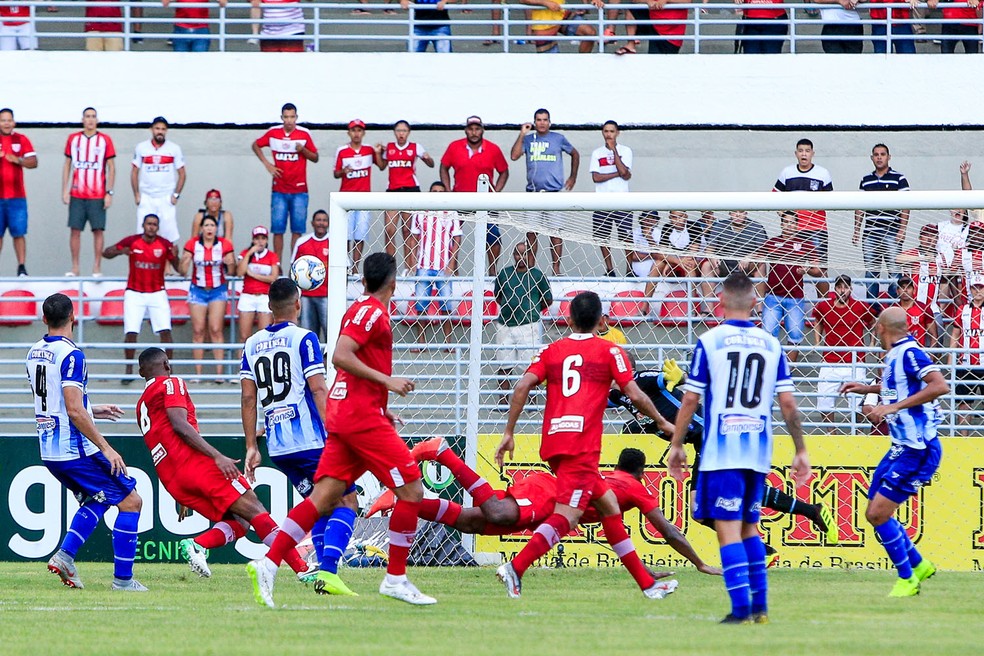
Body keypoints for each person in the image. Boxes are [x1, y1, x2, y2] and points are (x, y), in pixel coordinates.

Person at [247, 252, 437, 607]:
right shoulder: (372, 313)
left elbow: (350, 368)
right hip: (359, 420)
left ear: (363, 282)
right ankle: (395, 578)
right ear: (394, 284)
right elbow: (341, 355)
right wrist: (389, 383)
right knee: (411, 489)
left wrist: (383, 406)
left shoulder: (358, 310)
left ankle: (269, 563)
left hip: (350, 415)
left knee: (323, 499)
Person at [493, 291, 677, 600]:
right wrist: (661, 421)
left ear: (569, 318)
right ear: (601, 319)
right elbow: (633, 392)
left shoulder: (551, 350)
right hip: (581, 445)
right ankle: (516, 567)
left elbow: (522, 385)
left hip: (554, 440)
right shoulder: (610, 351)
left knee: (608, 507)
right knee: (569, 515)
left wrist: (509, 432)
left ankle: (647, 583)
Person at [669, 272, 811, 624]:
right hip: (758, 452)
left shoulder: (709, 341)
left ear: (720, 302)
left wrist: (676, 444)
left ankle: (741, 609)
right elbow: (789, 405)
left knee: (728, 529)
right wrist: (801, 450)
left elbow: (690, 399)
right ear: (754, 303)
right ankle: (760, 607)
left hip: (723, 451)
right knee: (749, 527)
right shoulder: (772, 344)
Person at [375, 441, 720, 578]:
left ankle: (408, 500)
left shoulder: (613, 480)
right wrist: (701, 563)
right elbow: (669, 530)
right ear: (642, 473)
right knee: (495, 513)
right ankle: (443, 452)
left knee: (471, 523)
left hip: (549, 504)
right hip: (547, 492)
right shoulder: (633, 487)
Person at [611, 358, 836, 550]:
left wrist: (680, 377)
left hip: (711, 436)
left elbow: (670, 378)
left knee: (721, 499)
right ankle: (800, 519)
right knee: (701, 511)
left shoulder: (640, 380)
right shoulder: (620, 395)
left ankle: (766, 545)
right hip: (702, 442)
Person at [135, 347, 315, 582]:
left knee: (239, 521)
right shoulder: (171, 383)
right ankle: (303, 569)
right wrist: (216, 456)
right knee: (256, 509)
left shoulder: (141, 406)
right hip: (195, 464)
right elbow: (179, 425)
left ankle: (199, 544)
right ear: (167, 365)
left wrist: (182, 492)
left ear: (141, 373)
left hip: (172, 477)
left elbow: (164, 440)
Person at [241, 279, 360, 596]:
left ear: (269, 307)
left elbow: (248, 399)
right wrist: (335, 430)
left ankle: (323, 574)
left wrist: (252, 445)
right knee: (347, 500)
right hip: (310, 439)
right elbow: (319, 388)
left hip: (279, 446)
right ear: (298, 303)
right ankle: (321, 570)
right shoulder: (304, 339)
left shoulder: (251, 344)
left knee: (321, 505)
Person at [27, 293, 145, 591]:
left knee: (97, 499)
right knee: (131, 501)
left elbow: (56, 401)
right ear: (73, 317)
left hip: (48, 449)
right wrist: (106, 447)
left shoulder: (34, 352)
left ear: (44, 319)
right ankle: (123, 580)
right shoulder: (72, 355)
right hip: (74, 448)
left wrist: (94, 409)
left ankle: (66, 556)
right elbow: (73, 408)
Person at [840, 307, 947, 597]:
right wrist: (865, 389)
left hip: (918, 448)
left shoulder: (910, 352)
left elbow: (940, 385)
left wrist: (893, 407)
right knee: (874, 508)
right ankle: (918, 564)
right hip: (900, 447)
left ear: (881, 327)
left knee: (877, 514)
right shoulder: (897, 355)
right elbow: (898, 386)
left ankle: (908, 579)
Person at [103, 214, 179, 380]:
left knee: (165, 331)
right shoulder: (132, 241)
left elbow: (179, 268)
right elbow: (105, 253)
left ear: (157, 227)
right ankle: (129, 371)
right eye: (149, 224)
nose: (151, 227)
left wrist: (176, 255)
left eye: (154, 224)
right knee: (131, 332)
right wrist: (118, 251)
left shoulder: (165, 244)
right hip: (134, 292)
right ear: (143, 225)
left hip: (157, 292)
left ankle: (169, 372)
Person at [509, 108, 579, 275]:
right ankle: (531, 269)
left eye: (545, 119)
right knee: (531, 233)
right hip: (533, 193)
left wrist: (573, 177)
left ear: (549, 122)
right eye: (538, 120)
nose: (542, 122)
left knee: (555, 233)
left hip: (553, 193)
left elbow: (575, 153)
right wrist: (521, 134)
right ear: (534, 122)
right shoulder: (528, 139)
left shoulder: (558, 138)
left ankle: (556, 268)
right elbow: (514, 156)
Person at [440, 116, 510, 276]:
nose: (474, 132)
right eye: (471, 129)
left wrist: (496, 192)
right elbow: (444, 167)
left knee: (493, 235)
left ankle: (492, 270)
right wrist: (448, 189)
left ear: (482, 130)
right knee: (452, 234)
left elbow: (504, 171)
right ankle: (453, 268)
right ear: (466, 130)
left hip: (486, 201)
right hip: (460, 199)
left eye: (477, 129)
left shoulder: (492, 148)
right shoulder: (455, 147)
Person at [253, 103, 318, 264]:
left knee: (297, 230)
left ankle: (294, 265)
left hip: (299, 190)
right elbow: (255, 145)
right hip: (279, 190)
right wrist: (267, 164)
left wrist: (303, 150)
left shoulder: (304, 134)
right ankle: (278, 264)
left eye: (292, 117)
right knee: (278, 230)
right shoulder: (273, 132)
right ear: (282, 118)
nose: (289, 120)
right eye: (286, 117)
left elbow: (315, 157)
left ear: (296, 117)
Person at [493, 242, 553, 411]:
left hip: (529, 325)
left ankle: (531, 403)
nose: (521, 257)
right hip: (505, 324)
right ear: (513, 255)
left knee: (529, 366)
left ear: (531, 255)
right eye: (518, 254)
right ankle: (503, 402)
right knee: (504, 364)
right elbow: (499, 296)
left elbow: (547, 299)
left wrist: (532, 310)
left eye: (525, 254)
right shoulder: (504, 274)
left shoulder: (537, 275)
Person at [757, 210, 823, 363]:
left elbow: (818, 271)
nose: (789, 225)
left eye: (792, 222)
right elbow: (756, 257)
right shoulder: (772, 242)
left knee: (795, 335)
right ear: (781, 224)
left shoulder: (806, 244)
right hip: (773, 296)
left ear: (797, 225)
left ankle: (788, 371)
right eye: (786, 222)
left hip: (795, 298)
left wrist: (807, 270)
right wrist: (747, 259)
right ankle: (770, 367)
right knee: (767, 334)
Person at [812, 275, 876, 430]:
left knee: (858, 404)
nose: (842, 290)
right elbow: (818, 320)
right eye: (839, 287)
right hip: (830, 360)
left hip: (854, 360)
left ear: (850, 289)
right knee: (824, 401)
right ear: (835, 289)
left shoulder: (860, 306)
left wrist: (872, 343)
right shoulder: (824, 306)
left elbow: (873, 321)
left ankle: (857, 431)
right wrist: (817, 342)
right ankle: (831, 433)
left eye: (845, 287)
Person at [773, 138, 833, 296]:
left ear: (813, 153)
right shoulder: (787, 173)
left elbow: (831, 201)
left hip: (816, 229)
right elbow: (774, 198)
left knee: (819, 269)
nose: (804, 154)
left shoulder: (823, 173)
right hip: (793, 230)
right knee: (791, 268)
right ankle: (790, 301)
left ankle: (824, 307)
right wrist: (785, 215)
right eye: (801, 151)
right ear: (796, 153)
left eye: (807, 151)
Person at [179, 215, 235, 380]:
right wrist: (185, 262)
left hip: (218, 289)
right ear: (201, 228)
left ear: (216, 228)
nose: (209, 228)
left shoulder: (225, 244)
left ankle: (220, 374)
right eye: (206, 225)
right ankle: (198, 374)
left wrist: (230, 263)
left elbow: (232, 272)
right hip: (198, 290)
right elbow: (182, 271)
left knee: (216, 330)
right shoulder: (192, 244)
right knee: (198, 331)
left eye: (212, 225)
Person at [407, 181, 461, 348]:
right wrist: (411, 262)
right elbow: (413, 238)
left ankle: (448, 343)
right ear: (429, 192)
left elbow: (457, 238)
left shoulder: (451, 213)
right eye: (434, 190)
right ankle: (421, 342)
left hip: (443, 266)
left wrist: (452, 263)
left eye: (440, 191)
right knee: (421, 305)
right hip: (423, 266)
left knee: (446, 305)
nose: (437, 193)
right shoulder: (421, 212)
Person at [63, 107, 115, 278]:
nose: (90, 120)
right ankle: (75, 267)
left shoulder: (105, 140)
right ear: (82, 119)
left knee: (98, 230)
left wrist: (109, 193)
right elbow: (67, 165)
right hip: (77, 194)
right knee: (75, 230)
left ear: (97, 120)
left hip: (97, 194)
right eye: (87, 116)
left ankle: (96, 268)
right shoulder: (74, 139)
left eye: (93, 117)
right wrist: (65, 189)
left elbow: (111, 168)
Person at [855, 144, 910, 301]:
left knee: (894, 272)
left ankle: (894, 309)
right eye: (876, 154)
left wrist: (902, 230)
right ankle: (872, 312)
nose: (879, 157)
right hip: (870, 234)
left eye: (883, 154)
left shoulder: (899, 178)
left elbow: (906, 205)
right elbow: (859, 207)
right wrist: (857, 230)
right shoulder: (866, 180)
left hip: (892, 232)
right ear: (872, 158)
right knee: (871, 273)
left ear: (889, 157)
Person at [378, 120, 434, 273]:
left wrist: (428, 158)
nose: (401, 133)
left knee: (408, 230)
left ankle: (409, 268)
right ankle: (391, 269)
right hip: (393, 190)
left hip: (410, 189)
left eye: (404, 130)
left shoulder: (415, 147)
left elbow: (431, 163)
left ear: (408, 132)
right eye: (398, 130)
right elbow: (382, 166)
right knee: (389, 230)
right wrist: (378, 153)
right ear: (394, 132)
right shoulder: (388, 148)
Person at [335, 119, 382, 274]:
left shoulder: (369, 150)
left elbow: (382, 166)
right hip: (346, 198)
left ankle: (355, 268)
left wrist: (378, 152)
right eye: (354, 130)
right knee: (346, 234)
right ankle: (346, 265)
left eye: (359, 130)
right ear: (349, 133)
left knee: (360, 234)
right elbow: (336, 173)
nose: (356, 133)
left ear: (363, 133)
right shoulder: (342, 150)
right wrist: (343, 171)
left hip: (363, 198)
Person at [698, 210, 768, 313]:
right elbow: (709, 249)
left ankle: (760, 309)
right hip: (724, 265)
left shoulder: (756, 227)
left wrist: (750, 257)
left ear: (746, 213)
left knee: (761, 265)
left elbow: (764, 251)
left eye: (741, 212)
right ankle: (708, 308)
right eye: (734, 212)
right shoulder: (720, 226)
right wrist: (713, 257)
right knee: (706, 265)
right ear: (730, 213)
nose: (738, 215)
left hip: (747, 266)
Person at [131, 116, 185, 244]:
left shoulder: (174, 148)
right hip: (147, 197)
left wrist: (176, 195)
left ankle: (168, 264)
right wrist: (137, 195)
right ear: (151, 129)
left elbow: (182, 173)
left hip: (166, 197)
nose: (160, 131)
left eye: (163, 129)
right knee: (142, 237)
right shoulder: (141, 147)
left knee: (168, 238)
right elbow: (134, 172)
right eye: (157, 128)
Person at [589, 120, 633, 277]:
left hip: (622, 201)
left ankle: (629, 269)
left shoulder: (626, 151)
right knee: (603, 237)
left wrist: (614, 151)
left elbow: (626, 174)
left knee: (627, 237)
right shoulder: (596, 153)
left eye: (612, 131)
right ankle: (610, 269)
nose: (609, 135)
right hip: (602, 201)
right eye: (606, 131)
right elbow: (596, 177)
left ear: (617, 133)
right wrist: (617, 173)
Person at [0, 107, 36, 277]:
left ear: (13, 122)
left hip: (17, 198)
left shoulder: (21, 139)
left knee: (19, 233)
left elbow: (33, 162)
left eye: (9, 120)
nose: (6, 123)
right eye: (3, 120)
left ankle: (21, 267)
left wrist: (18, 160)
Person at [949, 276, 984, 434]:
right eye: (974, 288)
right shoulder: (962, 309)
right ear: (970, 289)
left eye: (981, 287)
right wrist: (951, 360)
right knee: (963, 403)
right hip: (966, 363)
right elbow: (955, 335)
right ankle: (963, 439)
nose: (978, 291)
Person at [291, 209, 330, 342]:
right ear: (312, 223)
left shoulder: (335, 242)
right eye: (318, 220)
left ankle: (329, 363)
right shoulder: (302, 242)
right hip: (306, 297)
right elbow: (293, 269)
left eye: (324, 220)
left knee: (331, 334)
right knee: (308, 335)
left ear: (328, 223)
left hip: (327, 296)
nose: (321, 223)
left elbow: (345, 267)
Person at [236, 226, 281, 340]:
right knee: (244, 336)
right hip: (248, 295)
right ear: (253, 240)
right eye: (257, 238)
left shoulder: (272, 256)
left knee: (264, 336)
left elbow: (273, 278)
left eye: (263, 238)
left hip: (264, 296)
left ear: (267, 240)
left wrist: (253, 275)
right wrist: (249, 253)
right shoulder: (246, 253)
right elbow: (240, 272)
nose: (260, 241)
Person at [524, 0, 602, 53]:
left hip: (561, 13)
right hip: (542, 23)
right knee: (550, 62)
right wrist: (545, 3)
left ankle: (581, 67)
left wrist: (594, 1)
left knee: (589, 33)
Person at [161, 0, 227, 51]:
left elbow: (223, 1)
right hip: (181, 29)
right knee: (180, 61)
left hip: (200, 30)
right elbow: (165, 1)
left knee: (198, 61)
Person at [891, 276, 936, 348]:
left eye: (908, 287)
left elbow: (933, 334)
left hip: (917, 350)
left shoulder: (923, 308)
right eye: (902, 287)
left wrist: (931, 357)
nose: (905, 290)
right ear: (897, 291)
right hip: (898, 350)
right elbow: (886, 334)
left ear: (914, 290)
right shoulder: (892, 310)